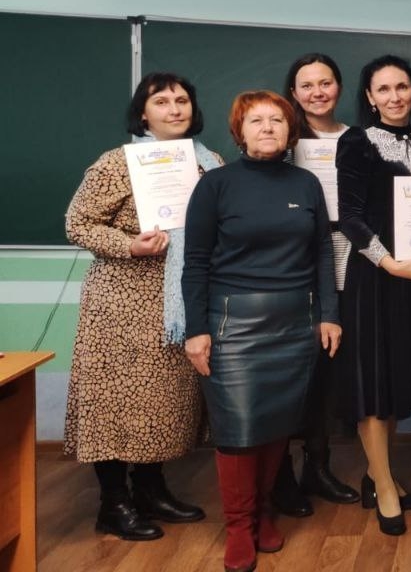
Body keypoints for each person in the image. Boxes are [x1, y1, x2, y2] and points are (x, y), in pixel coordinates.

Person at [183, 90, 340, 572]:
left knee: (276, 426)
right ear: (240, 131)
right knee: (238, 430)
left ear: (290, 130)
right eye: (256, 120)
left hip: (296, 321)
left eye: (277, 120)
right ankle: (238, 526)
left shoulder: (306, 183)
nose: (267, 127)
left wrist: (329, 314)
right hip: (232, 323)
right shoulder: (215, 185)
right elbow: (195, 261)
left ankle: (264, 512)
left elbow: (321, 253)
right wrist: (196, 329)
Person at [63, 72, 219, 541]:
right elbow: (78, 223)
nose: (175, 109)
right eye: (162, 101)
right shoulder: (118, 162)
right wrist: (131, 245)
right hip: (121, 302)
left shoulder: (209, 163)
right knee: (117, 402)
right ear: (143, 114)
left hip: (180, 303)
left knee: (163, 403)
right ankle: (113, 504)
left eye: (182, 100)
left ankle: (151, 490)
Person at [333, 55, 411, 536]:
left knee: (395, 379)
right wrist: (388, 263)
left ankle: (376, 475)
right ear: (370, 97)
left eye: (401, 86)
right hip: (377, 276)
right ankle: (385, 488)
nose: (394, 96)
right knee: (374, 383)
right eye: (383, 89)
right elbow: (350, 217)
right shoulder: (356, 142)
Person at [270, 52, 359, 516]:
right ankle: (279, 474)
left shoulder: (357, 138)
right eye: (307, 85)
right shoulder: (280, 138)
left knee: (329, 369)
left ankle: (318, 466)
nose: (317, 92)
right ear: (293, 93)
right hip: (294, 265)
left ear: (339, 87)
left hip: (350, 258)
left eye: (326, 82)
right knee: (291, 371)